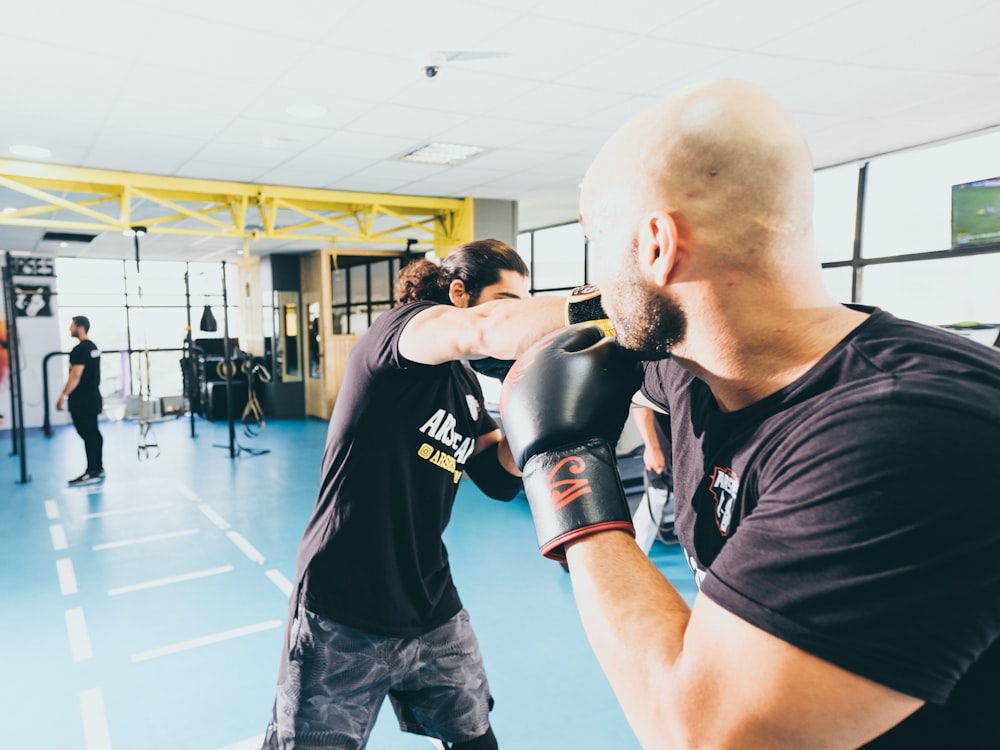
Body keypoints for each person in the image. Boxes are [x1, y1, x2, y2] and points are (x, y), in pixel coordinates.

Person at [500, 79, 1000, 749]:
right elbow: (572, 324)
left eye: (599, 243)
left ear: (656, 245)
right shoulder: (698, 364)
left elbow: (697, 734)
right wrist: (437, 338)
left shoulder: (904, 433)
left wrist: (559, 466)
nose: (593, 284)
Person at [262, 239, 572, 750]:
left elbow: (496, 476)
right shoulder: (402, 333)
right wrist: (609, 308)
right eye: (505, 303)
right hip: (343, 606)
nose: (512, 319)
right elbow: (484, 329)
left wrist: (546, 420)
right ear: (458, 293)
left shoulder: (464, 385)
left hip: (431, 605)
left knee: (476, 740)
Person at [56, 315, 105, 485]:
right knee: (93, 434)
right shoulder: (93, 347)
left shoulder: (80, 350)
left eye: (72, 325)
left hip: (83, 400)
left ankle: (92, 471)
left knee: (89, 434)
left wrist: (63, 395)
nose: (70, 329)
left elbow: (75, 375)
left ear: (80, 327)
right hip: (93, 398)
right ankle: (97, 468)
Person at [629, 405, 676, 552]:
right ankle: (632, 559)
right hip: (666, 442)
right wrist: (652, 448)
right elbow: (640, 403)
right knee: (657, 493)